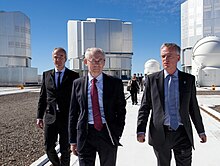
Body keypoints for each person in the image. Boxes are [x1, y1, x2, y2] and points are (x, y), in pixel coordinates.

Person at [136, 43, 207, 166]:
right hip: (160, 133)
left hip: (182, 133)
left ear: (178, 58)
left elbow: (193, 108)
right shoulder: (152, 80)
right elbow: (145, 107)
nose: (165, 60)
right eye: (163, 56)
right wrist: (140, 130)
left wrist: (200, 131)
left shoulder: (188, 79)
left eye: (169, 56)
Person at [69, 47, 126, 166]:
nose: (97, 63)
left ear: (104, 62)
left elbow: (121, 110)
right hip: (85, 134)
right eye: (93, 60)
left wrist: (117, 132)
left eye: (100, 60)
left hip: (107, 133)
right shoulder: (77, 84)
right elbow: (73, 113)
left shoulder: (115, 83)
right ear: (86, 62)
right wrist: (73, 140)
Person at [36, 47, 79, 166]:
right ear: (52, 58)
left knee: (65, 148)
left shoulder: (74, 76)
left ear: (65, 59)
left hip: (67, 118)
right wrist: (39, 116)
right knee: (48, 147)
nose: (58, 59)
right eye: (55, 56)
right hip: (50, 116)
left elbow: (77, 98)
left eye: (61, 56)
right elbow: (42, 97)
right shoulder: (46, 75)